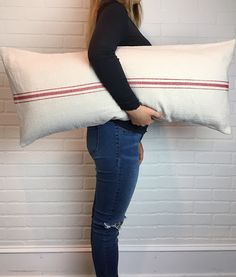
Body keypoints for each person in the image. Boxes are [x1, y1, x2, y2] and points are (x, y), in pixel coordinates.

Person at [85, 0, 162, 276]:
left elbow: (119, 72)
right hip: (116, 136)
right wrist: (132, 109)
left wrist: (135, 136)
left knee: (106, 224)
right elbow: (100, 54)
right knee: (107, 226)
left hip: (116, 136)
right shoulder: (114, 9)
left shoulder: (112, 13)